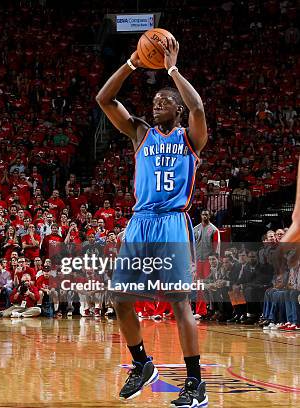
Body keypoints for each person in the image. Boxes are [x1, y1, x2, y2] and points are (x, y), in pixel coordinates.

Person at [97, 38, 208, 406]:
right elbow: (104, 99)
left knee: (179, 303)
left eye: (165, 102)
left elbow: (197, 106)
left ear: (177, 110)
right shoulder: (140, 133)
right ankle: (142, 364)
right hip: (141, 222)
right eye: (155, 101)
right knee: (120, 299)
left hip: (173, 222)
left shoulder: (190, 137)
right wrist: (132, 62)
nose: (157, 104)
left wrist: (172, 69)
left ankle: (195, 384)